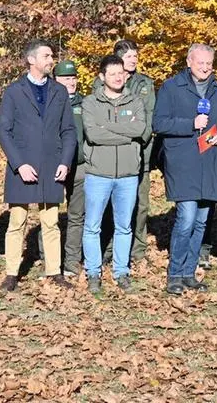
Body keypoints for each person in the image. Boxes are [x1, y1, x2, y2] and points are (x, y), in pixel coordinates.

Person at [0, 39, 76, 292]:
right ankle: (11, 274)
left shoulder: (59, 92)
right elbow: (4, 132)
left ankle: (54, 271)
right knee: (17, 221)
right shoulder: (13, 91)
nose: (51, 60)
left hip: (52, 166)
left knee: (51, 222)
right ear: (31, 60)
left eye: (51, 55)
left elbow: (69, 131)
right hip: (22, 168)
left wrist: (65, 162)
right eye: (46, 55)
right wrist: (19, 165)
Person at [153, 44, 217, 295]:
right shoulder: (171, 87)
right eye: (200, 63)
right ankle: (175, 273)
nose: (205, 68)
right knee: (185, 219)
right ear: (189, 62)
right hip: (183, 162)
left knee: (201, 222)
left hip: (210, 163)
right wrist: (190, 124)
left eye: (209, 63)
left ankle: (189, 273)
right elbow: (159, 123)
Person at [81, 55, 149, 294]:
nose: (118, 77)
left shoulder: (136, 101)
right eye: (112, 74)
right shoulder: (90, 103)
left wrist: (109, 129)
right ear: (102, 77)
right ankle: (93, 272)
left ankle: (121, 271)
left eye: (121, 73)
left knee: (124, 226)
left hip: (128, 174)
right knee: (92, 226)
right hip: (98, 173)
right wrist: (126, 133)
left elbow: (140, 128)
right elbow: (93, 135)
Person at [106, 39, 156, 263]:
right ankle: (108, 247)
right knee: (110, 203)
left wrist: (136, 142)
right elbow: (103, 119)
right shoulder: (104, 82)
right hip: (111, 156)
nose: (134, 60)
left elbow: (148, 119)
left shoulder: (145, 83)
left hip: (140, 154)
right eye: (129, 57)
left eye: (136, 56)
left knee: (141, 204)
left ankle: (138, 250)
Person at [53, 60, 86, 277]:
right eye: (66, 78)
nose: (71, 82)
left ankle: (72, 260)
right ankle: (49, 258)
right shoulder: (49, 102)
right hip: (54, 165)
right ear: (55, 80)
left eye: (73, 78)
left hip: (81, 165)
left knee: (77, 215)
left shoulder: (86, 103)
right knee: (50, 215)